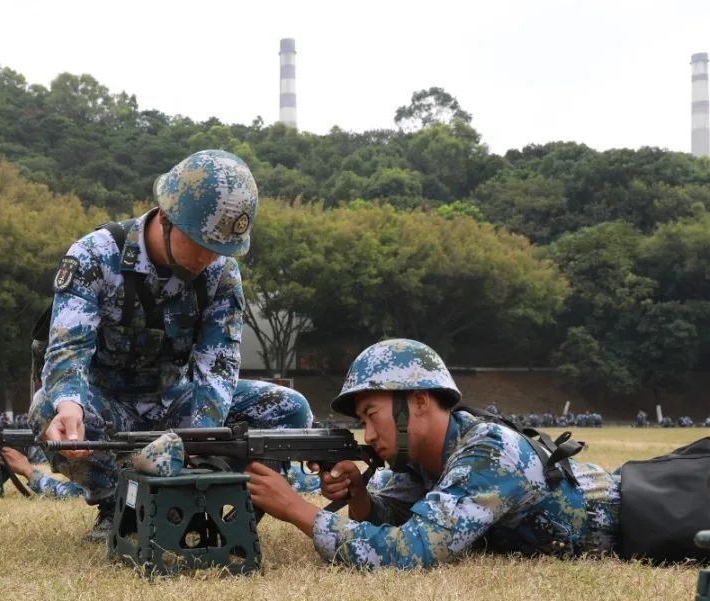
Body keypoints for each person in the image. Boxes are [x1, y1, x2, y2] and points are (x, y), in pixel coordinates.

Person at [31, 149, 313, 540]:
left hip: (176, 404)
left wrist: (197, 443)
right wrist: (68, 405)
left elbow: (217, 368)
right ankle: (117, 504)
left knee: (289, 409)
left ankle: (221, 502)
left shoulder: (221, 274)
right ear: (166, 217)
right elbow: (68, 350)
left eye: (221, 248)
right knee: (47, 407)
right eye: (200, 243)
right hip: (107, 408)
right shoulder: (94, 256)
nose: (209, 257)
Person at [245, 338, 620, 569]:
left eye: (372, 415)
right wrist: (361, 495)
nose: (369, 434)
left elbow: (413, 551)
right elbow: (395, 515)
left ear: (420, 401)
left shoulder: (488, 452)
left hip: (629, 522)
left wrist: (297, 510)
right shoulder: (426, 455)